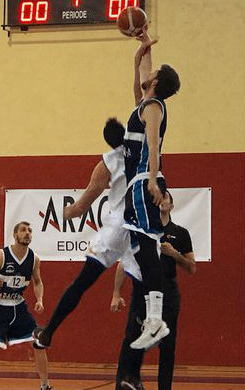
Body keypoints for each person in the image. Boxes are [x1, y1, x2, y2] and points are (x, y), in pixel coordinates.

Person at [33, 119, 141, 349]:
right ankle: (137, 344)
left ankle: (49, 332)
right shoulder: (142, 151)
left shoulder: (108, 161)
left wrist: (67, 213)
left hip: (116, 228)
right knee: (144, 289)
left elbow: (82, 205)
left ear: (107, 141)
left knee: (81, 284)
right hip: (140, 227)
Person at [122, 26, 181, 351]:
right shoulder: (145, 102)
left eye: (153, 73)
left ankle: (156, 319)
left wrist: (154, 178)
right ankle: (152, 317)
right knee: (142, 250)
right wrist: (142, 50)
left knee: (148, 247)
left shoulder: (154, 107)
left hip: (145, 178)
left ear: (157, 83)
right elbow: (143, 77)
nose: (149, 72)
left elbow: (155, 143)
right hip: (137, 183)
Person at [111, 192, 196, 390]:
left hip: (168, 294)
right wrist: (116, 293)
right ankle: (122, 384)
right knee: (131, 339)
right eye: (160, 197)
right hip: (142, 290)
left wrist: (175, 254)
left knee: (167, 345)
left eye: (166, 196)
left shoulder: (181, 233)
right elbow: (124, 264)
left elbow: (191, 268)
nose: (162, 199)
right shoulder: (141, 231)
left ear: (171, 205)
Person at [0, 221, 52, 390]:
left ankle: (45, 385)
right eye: (23, 230)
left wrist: (40, 299)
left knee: (39, 342)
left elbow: (38, 282)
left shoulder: (34, 259)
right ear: (15, 235)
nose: (27, 233)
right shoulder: (1, 255)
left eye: (30, 230)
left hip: (18, 305)